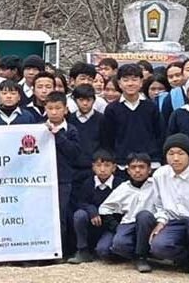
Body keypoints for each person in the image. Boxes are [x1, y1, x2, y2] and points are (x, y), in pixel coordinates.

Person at [150, 133, 189, 281]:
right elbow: (158, 203)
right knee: (158, 246)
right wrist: (161, 221)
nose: (176, 158)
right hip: (174, 222)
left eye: (181, 153)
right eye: (171, 153)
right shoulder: (159, 175)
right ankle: (188, 259)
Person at [95, 152, 158, 272]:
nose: (137, 171)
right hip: (128, 223)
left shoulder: (156, 185)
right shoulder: (124, 188)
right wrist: (115, 226)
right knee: (110, 248)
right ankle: (138, 252)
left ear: (149, 170)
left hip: (149, 224)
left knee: (143, 216)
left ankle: (141, 257)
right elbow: (104, 208)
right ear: (128, 170)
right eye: (133, 167)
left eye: (142, 167)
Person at [100, 64, 164, 174]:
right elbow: (107, 139)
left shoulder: (151, 107)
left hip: (150, 163)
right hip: (122, 164)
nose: (130, 83)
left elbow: (160, 134)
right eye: (125, 80)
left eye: (134, 80)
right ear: (119, 83)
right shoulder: (112, 109)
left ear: (141, 82)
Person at [68, 150, 124, 265]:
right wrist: (92, 211)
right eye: (98, 165)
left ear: (114, 168)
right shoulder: (88, 183)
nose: (102, 169)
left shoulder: (120, 184)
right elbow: (80, 202)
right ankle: (82, 250)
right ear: (93, 167)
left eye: (107, 165)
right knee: (79, 215)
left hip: (111, 225)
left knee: (103, 251)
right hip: (93, 224)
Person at [44, 91, 81, 255]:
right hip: (43, 179)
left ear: (65, 109)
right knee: (44, 216)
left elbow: (74, 153)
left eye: (58, 108)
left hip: (63, 180)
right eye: (50, 108)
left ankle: (61, 250)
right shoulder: (39, 128)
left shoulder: (71, 130)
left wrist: (58, 135)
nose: (54, 112)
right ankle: (43, 250)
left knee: (61, 216)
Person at [67, 84, 105, 185]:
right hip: (72, 170)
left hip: (94, 170)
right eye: (81, 100)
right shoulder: (69, 120)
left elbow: (105, 144)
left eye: (88, 100)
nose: (85, 103)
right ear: (75, 100)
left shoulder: (102, 120)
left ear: (94, 100)